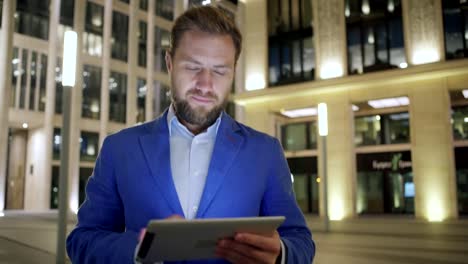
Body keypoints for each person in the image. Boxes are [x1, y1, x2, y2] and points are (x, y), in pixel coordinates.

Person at [66, 5, 315, 264]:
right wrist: (140, 250)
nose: (205, 85)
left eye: (220, 71)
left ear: (233, 73)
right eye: (193, 67)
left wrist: (280, 255)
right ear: (170, 63)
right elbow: (82, 241)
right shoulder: (119, 149)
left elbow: (300, 241)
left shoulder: (266, 152)